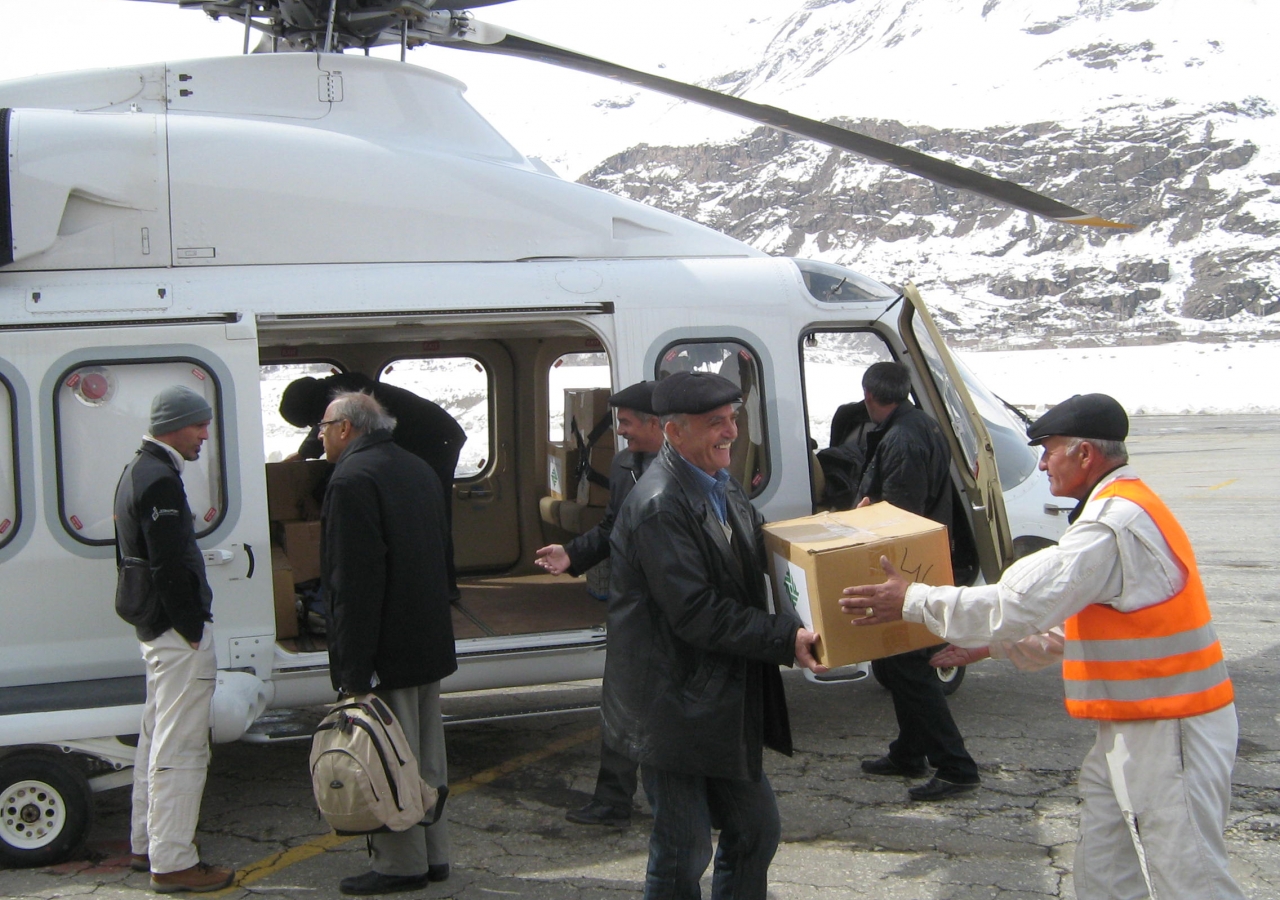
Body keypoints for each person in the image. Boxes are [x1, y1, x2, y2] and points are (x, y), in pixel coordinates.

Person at [841, 393, 1246, 900]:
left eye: (1049, 449)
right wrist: (989, 647)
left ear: (1085, 456)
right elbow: (1069, 625)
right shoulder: (1115, 510)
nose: (1041, 462)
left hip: (1171, 730)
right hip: (1137, 726)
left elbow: (1017, 602)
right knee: (1103, 871)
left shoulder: (1110, 526)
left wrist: (914, 600)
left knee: (1191, 879)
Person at [603, 371, 826, 900]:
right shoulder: (659, 505)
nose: (730, 432)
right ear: (674, 432)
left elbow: (749, 554)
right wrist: (784, 637)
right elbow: (697, 613)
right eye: (715, 423)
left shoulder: (718, 483)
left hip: (714, 699)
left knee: (755, 831)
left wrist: (831, 545)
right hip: (671, 706)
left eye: (733, 419)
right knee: (683, 851)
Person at [318, 391, 458, 896]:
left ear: (346, 429)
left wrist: (352, 669)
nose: (319, 435)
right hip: (426, 639)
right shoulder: (417, 468)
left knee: (387, 759)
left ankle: (401, 866)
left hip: (385, 648)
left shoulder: (352, 480)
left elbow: (352, 583)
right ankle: (434, 854)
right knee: (426, 756)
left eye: (323, 426)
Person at [113, 386, 235, 893]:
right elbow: (167, 564)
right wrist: (190, 628)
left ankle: (147, 844)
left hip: (154, 631)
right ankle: (174, 862)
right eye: (198, 426)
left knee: (154, 738)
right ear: (173, 425)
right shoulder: (160, 479)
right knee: (182, 748)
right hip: (174, 632)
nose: (205, 435)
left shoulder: (135, 470)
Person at [534, 381, 663, 828]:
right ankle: (612, 801)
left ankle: (706, 801)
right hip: (632, 609)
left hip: (676, 608)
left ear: (657, 423)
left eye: (626, 423)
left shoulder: (690, 466)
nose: (621, 433)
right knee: (620, 702)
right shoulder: (626, 463)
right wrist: (573, 554)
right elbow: (613, 526)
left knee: (684, 708)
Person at [852, 361, 981, 802]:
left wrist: (864, 516)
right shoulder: (917, 424)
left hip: (905, 568)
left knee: (909, 667)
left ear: (870, 396)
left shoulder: (903, 438)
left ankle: (956, 766)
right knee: (896, 664)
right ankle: (909, 752)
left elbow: (900, 515)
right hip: (916, 564)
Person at [280, 372, 466, 598]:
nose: (318, 430)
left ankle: (444, 588)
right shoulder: (336, 394)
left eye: (316, 423)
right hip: (427, 438)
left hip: (436, 440)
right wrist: (303, 454)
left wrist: (317, 495)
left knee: (431, 515)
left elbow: (351, 457)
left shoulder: (352, 400)